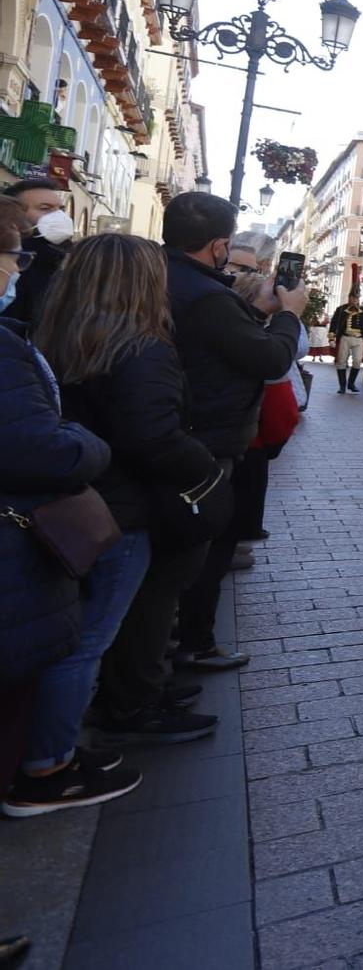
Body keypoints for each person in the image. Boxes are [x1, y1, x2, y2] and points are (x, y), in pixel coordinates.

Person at [16, 235, 229, 796]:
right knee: (87, 640)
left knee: (66, 631)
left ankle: (53, 745)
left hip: (66, 505)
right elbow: (151, 434)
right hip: (120, 510)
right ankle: (49, 767)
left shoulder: (46, 336)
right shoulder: (141, 347)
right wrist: (206, 470)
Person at [0, 197, 129, 815]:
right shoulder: (11, 345)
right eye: (14, 254)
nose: (19, 267)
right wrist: (84, 442)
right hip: (39, 524)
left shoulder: (38, 325)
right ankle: (45, 766)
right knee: (76, 641)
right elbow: (44, 447)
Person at [163, 193, 304, 672]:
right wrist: (288, 315)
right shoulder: (207, 297)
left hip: (186, 430)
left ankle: (168, 647)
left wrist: (260, 314)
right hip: (206, 438)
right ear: (219, 245)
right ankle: (190, 645)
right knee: (202, 550)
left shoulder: (168, 279)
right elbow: (268, 360)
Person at [0, 178, 74, 327]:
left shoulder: (66, 262)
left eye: (61, 209)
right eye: (45, 208)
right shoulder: (10, 265)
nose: (58, 216)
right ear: (16, 215)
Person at [328, 289, 363, 393]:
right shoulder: (341, 310)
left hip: (359, 339)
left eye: (356, 298)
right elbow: (334, 324)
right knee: (341, 361)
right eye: (352, 297)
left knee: (358, 361)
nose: (354, 300)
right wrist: (331, 338)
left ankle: (351, 383)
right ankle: (342, 386)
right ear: (349, 298)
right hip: (345, 338)